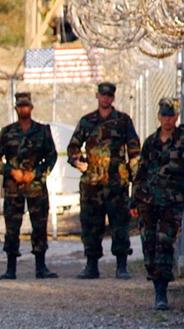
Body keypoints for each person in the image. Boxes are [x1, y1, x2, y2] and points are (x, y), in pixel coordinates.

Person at [130, 97, 184, 310]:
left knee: (164, 244)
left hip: (171, 202)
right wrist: (134, 201)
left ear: (176, 116)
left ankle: (161, 293)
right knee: (149, 245)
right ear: (159, 116)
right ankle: (155, 280)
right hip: (148, 201)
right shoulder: (151, 141)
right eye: (164, 115)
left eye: (171, 115)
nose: (168, 119)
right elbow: (141, 172)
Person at [67, 82, 141, 280]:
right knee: (91, 225)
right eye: (103, 95)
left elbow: (134, 149)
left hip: (117, 183)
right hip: (92, 183)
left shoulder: (123, 121)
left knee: (120, 224)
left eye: (109, 96)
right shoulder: (87, 121)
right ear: (97, 96)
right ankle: (91, 265)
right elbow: (73, 147)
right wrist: (77, 161)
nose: (106, 98)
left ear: (113, 98)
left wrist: (134, 175)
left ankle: (122, 265)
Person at [0, 92, 59, 280]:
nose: (23, 109)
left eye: (26, 106)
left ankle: (41, 266)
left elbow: (51, 156)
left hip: (36, 186)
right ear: (16, 108)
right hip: (14, 188)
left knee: (39, 226)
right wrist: (10, 171)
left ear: (31, 107)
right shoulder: (6, 132)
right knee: (12, 227)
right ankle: (10, 268)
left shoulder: (43, 131)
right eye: (20, 106)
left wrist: (36, 173)